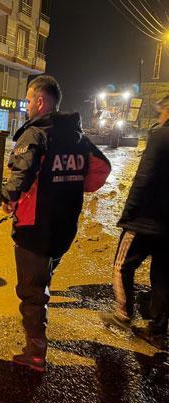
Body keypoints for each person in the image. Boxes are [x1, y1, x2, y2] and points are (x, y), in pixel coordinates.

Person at [2, 75, 111, 372]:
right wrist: (71, 188)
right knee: (43, 280)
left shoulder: (36, 134)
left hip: (35, 230)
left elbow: (20, 177)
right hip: (65, 227)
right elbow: (102, 168)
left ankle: (35, 353)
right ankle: (37, 334)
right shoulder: (78, 137)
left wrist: (9, 198)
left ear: (40, 101)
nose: (26, 107)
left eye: (27, 101)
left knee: (32, 293)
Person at [101, 95, 169, 350]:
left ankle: (122, 315)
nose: (159, 117)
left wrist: (129, 214)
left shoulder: (160, 136)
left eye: (161, 112)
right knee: (163, 276)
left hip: (145, 220)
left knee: (122, 266)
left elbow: (144, 177)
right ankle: (158, 332)